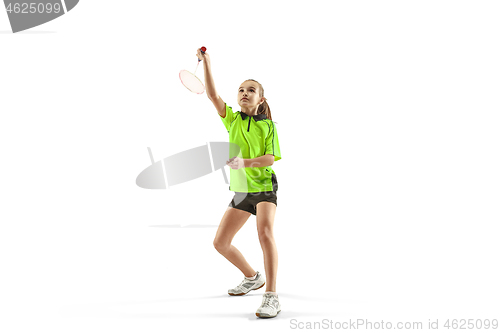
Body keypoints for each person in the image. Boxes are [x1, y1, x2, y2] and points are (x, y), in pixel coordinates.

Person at [196, 48, 282, 318]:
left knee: (265, 234)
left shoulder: (267, 126)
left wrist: (243, 163)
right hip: (242, 192)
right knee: (221, 243)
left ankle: (271, 296)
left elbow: (269, 159)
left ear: (261, 98)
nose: (244, 93)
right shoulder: (232, 119)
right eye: (241, 89)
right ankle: (252, 277)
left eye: (251, 90)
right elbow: (212, 95)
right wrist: (207, 62)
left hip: (264, 188)